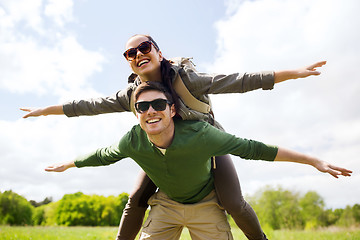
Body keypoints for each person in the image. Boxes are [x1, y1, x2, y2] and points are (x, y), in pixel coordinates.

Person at [21, 34, 327, 240]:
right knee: (137, 198)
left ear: (157, 52)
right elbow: (91, 106)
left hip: (205, 144)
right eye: (131, 53)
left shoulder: (187, 80)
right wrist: (46, 110)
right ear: (128, 62)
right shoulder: (131, 95)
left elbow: (239, 81)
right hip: (161, 147)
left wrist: (292, 73)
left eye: (144, 48)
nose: (138, 54)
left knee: (232, 201)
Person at [46, 81, 351, 240]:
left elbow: (254, 148)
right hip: (166, 206)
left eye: (158, 104)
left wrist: (312, 160)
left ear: (172, 110)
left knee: (236, 204)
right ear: (137, 113)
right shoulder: (132, 140)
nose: (151, 110)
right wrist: (69, 164)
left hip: (206, 205)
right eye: (143, 106)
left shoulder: (202, 135)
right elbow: (102, 155)